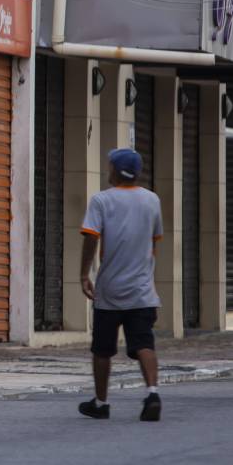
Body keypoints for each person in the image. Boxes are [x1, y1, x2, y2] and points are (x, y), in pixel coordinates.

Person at [78, 147, 163, 422]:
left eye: (109, 166)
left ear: (115, 170)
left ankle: (101, 403)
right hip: (142, 291)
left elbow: (91, 238)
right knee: (144, 343)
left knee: (102, 349)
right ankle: (152, 393)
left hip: (110, 290)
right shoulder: (152, 200)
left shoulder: (101, 200)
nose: (107, 170)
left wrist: (83, 274)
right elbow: (154, 243)